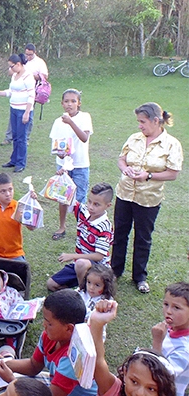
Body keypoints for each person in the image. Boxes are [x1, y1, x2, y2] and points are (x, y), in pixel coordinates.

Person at [0, 289, 98, 396]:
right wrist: (5, 363)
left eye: (49, 323)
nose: (44, 325)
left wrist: (12, 381)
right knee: (22, 387)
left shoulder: (72, 357)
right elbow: (33, 366)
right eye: (45, 320)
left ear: (69, 329)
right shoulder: (48, 337)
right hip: (55, 387)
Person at [111, 102, 183, 294]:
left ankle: (139, 277)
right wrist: (124, 168)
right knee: (119, 234)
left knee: (143, 238)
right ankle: (115, 271)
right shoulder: (134, 138)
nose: (139, 126)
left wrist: (148, 176)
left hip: (149, 199)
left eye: (142, 122)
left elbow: (173, 173)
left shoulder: (172, 144)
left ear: (156, 121)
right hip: (125, 193)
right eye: (138, 121)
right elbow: (121, 158)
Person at [90, 300, 176, 396]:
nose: (139, 394)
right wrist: (97, 322)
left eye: (151, 388)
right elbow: (98, 359)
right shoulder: (111, 390)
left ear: (161, 391)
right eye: (134, 382)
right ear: (125, 373)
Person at [46, 183, 114, 291]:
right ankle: (81, 286)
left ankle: (84, 292)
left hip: (98, 269)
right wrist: (64, 176)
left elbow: (99, 256)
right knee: (51, 284)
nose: (91, 207)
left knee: (81, 263)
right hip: (79, 265)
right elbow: (66, 199)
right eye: (89, 201)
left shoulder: (105, 226)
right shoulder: (84, 211)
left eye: (96, 204)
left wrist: (72, 256)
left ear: (108, 205)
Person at [49, 89, 94, 240]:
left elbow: (84, 138)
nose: (70, 104)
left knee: (79, 198)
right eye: (66, 101)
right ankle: (62, 227)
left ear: (79, 103)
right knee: (62, 197)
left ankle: (82, 228)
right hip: (63, 165)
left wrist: (71, 122)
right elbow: (56, 145)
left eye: (73, 101)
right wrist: (60, 153)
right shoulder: (57, 122)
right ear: (62, 103)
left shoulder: (85, 117)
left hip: (80, 164)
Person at [0, 54, 35, 173]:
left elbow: (31, 95)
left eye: (11, 66)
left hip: (23, 110)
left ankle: (20, 163)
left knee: (21, 137)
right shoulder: (14, 75)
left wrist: (27, 112)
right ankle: (13, 160)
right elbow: (10, 92)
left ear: (18, 64)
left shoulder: (28, 76)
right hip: (13, 108)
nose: (10, 69)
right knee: (15, 135)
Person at [151, 282, 189, 396]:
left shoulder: (184, 350)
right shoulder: (173, 328)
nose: (168, 311)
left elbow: (161, 376)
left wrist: (157, 343)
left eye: (176, 307)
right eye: (166, 304)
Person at [1, 43, 49, 146]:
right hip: (17, 92)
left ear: (34, 53)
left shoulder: (39, 62)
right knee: (13, 115)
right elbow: (11, 72)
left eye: (30, 54)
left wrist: (29, 75)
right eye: (26, 54)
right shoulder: (21, 60)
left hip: (31, 91)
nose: (28, 56)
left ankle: (25, 138)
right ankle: (9, 137)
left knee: (28, 116)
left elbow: (44, 76)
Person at [0, 173, 33, 260]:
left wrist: (31, 204)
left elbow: (31, 227)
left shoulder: (18, 207)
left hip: (15, 254)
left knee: (22, 272)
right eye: (3, 191)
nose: (8, 194)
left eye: (10, 189)